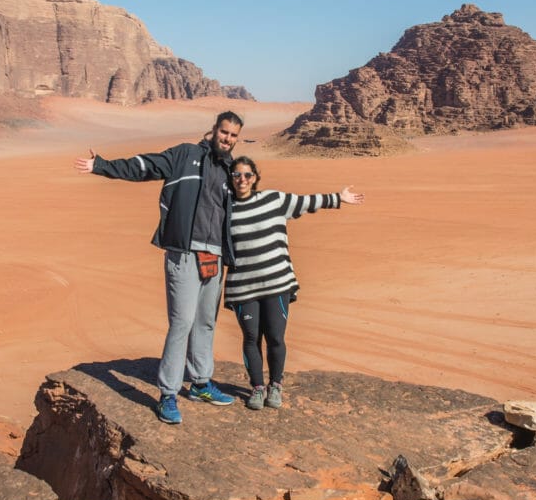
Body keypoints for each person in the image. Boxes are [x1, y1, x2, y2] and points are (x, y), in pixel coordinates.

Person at [73, 111, 244, 424]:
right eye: (224, 132)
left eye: (233, 135)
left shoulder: (231, 168)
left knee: (205, 322)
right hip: (184, 252)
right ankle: (168, 393)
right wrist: (102, 166)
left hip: (215, 257)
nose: (227, 139)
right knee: (182, 322)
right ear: (214, 130)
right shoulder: (185, 155)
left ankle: (201, 383)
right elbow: (145, 166)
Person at [224, 155, 364, 409]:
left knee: (275, 337)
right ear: (231, 178)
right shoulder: (225, 209)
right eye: (236, 175)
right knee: (251, 337)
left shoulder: (274, 200)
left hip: (277, 282)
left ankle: (275, 385)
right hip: (243, 287)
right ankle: (257, 388)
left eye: (247, 175)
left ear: (255, 178)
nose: (241, 179)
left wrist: (337, 198)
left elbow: (305, 202)